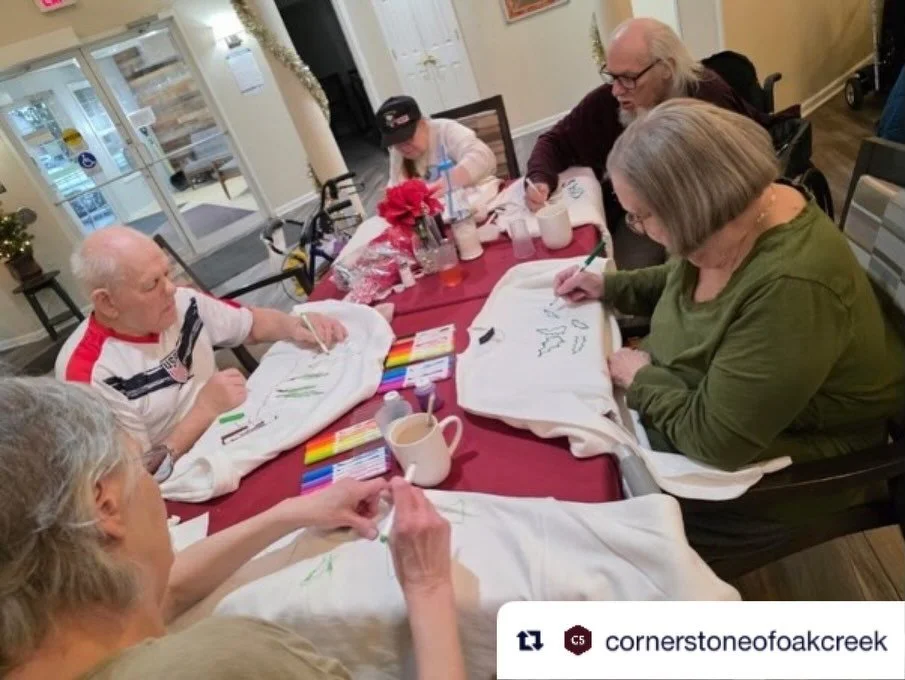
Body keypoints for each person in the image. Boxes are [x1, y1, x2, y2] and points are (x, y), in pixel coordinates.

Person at [554, 100, 905, 554]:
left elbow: (716, 441)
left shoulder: (792, 289)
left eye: (639, 216)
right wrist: (609, 285)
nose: (636, 229)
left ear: (690, 208)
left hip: (792, 460)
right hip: (710, 406)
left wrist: (639, 378)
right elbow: (682, 279)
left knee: (610, 535)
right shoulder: (734, 214)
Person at [0, 377, 466, 680]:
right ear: (105, 505)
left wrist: (290, 514)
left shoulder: (61, 627)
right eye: (139, 468)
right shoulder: (219, 663)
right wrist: (428, 587)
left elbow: (167, 587)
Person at [55, 226, 348, 469]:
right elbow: (135, 478)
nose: (170, 288)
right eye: (151, 284)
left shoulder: (180, 301)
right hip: (187, 478)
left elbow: (252, 324)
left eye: (167, 274)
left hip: (239, 431)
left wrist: (296, 324)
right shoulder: (86, 374)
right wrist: (204, 411)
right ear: (107, 302)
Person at [526, 18, 770, 270]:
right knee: (620, 270)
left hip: (708, 217)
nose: (617, 90)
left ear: (666, 68)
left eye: (629, 78)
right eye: (612, 76)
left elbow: (737, 193)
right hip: (643, 218)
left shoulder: (708, 100)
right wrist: (540, 178)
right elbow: (554, 141)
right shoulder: (613, 100)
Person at [377, 95, 497, 194]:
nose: (403, 147)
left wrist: (445, 184)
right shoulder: (397, 151)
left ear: (423, 123)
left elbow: (483, 157)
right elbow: (395, 187)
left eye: (407, 138)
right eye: (395, 142)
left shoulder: (446, 130)